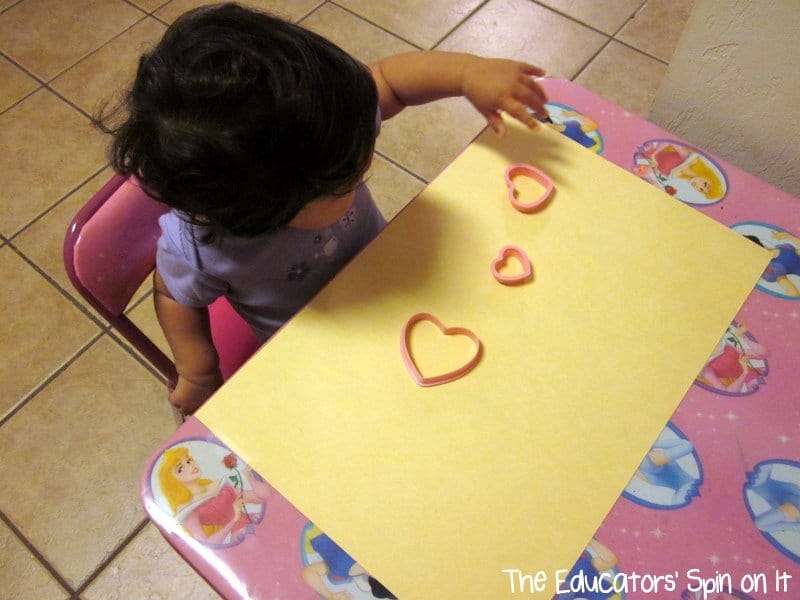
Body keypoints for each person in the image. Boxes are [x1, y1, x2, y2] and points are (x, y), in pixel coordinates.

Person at [95, 3, 549, 413]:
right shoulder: (204, 245)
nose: (359, 165)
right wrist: (198, 369)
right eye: (342, 181)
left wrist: (468, 73)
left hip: (390, 280)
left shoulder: (322, 125)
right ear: (257, 216)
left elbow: (389, 80)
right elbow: (175, 295)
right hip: (318, 347)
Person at [157, 446, 274, 545]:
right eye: (181, 469)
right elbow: (206, 545)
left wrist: (248, 476)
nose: (190, 466)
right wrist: (234, 520)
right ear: (172, 480)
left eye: (188, 461)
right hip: (241, 534)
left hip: (256, 519)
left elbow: (263, 496)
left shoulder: (217, 485)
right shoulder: (186, 509)